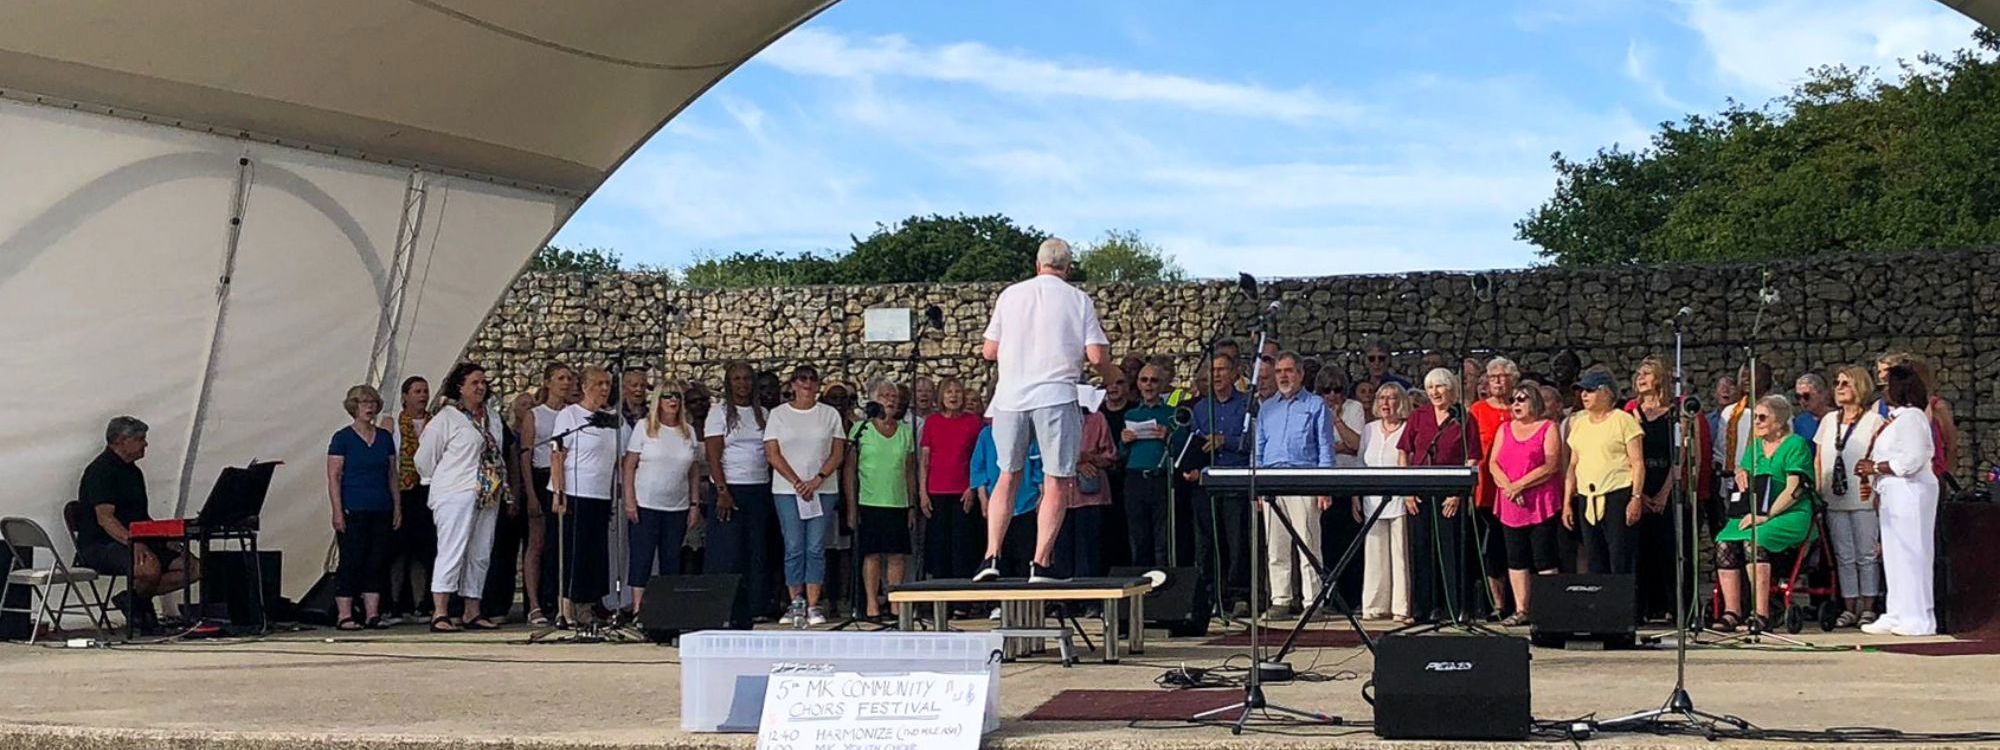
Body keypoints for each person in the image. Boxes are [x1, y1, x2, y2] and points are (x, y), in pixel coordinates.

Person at [975, 238, 1117, 583]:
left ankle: (991, 555)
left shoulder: (1010, 295)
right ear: (1068, 268)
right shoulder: (1078, 299)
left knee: (1007, 474)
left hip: (1010, 397)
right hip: (1055, 394)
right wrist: (1113, 376)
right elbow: (1097, 357)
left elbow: (988, 351)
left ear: (1037, 265)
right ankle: (1040, 563)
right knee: (1057, 478)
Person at [75, 416, 197, 632]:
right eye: (141, 439)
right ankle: (140, 605)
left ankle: (132, 599)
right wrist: (133, 541)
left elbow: (140, 516)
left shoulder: (133, 472)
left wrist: (164, 539)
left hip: (136, 539)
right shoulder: (100, 471)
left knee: (193, 568)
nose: (145, 444)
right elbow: (106, 519)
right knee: (149, 569)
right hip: (102, 544)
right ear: (122, 441)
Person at [414, 362, 507, 632]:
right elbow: (424, 456)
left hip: (487, 491)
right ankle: (440, 611)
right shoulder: (447, 418)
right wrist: (435, 481)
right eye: (474, 383)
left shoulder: (491, 417)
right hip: (456, 490)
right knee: (453, 549)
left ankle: (472, 610)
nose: (481, 387)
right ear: (460, 387)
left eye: (483, 382)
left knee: (480, 552)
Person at [1714, 395, 1816, 633]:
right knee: (1723, 542)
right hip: (1755, 511)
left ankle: (1761, 613)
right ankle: (1732, 611)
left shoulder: (1795, 445)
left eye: (1762, 417)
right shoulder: (1756, 446)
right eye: (1755, 417)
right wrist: (1741, 470)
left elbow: (1795, 490)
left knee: (1754, 539)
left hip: (1788, 511)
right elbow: (1746, 470)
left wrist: (1766, 516)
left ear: (1780, 422)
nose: (1757, 422)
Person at [1856, 364, 1939, 637]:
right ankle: (1897, 611)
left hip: (1910, 491)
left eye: (1886, 386)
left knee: (1912, 552)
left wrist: (1876, 468)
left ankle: (1919, 617)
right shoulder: (1897, 419)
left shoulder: (1913, 417)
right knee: (1893, 555)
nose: (1882, 392)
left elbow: (1912, 460)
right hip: (1893, 493)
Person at [765, 365, 847, 626]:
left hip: (822, 489)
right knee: (793, 547)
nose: (808, 384)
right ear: (793, 384)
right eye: (802, 379)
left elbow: (837, 452)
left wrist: (817, 480)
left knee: (815, 547)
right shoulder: (778, 415)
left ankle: (813, 603)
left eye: (813, 379)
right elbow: (772, 453)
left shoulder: (829, 414)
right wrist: (797, 482)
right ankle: (795, 601)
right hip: (788, 491)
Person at [1255, 352, 1334, 621]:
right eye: (1279, 372)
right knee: (1275, 545)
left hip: (1305, 478)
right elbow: (1260, 449)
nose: (1283, 376)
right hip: (1272, 480)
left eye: (1289, 371)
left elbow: (1325, 448)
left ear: (1300, 374)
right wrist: (1258, 487)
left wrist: (1324, 486)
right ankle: (1281, 599)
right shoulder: (1267, 408)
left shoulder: (1315, 405)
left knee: (1308, 542)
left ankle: (1313, 601)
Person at [1399, 368, 1479, 624]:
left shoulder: (1463, 418)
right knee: (1421, 549)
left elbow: (1472, 457)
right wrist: (1406, 489)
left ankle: (1453, 607)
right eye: (1430, 387)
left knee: (1450, 550)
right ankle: (1422, 609)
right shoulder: (1419, 416)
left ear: (1451, 389)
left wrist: (1458, 493)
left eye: (1440, 387)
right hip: (1420, 491)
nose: (1435, 392)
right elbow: (1404, 451)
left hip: (1450, 493)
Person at [703, 361, 776, 623]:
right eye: (737, 379)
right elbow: (713, 454)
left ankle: (754, 606)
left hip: (758, 487)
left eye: (747, 379)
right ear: (728, 383)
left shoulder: (764, 414)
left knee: (756, 550)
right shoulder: (718, 412)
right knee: (728, 551)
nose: (742, 384)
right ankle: (723, 606)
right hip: (729, 487)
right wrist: (721, 489)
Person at [1814, 366, 1886, 628]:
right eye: (1838, 383)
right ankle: (1848, 605)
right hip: (1834, 496)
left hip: (1863, 494)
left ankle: (1868, 606)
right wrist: (1819, 491)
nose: (1840, 387)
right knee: (1843, 554)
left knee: (1866, 554)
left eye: (1847, 383)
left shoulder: (1874, 421)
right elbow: (1819, 458)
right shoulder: (1829, 421)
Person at [621, 384, 701, 617]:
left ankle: (668, 608)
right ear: (658, 400)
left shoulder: (688, 431)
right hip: (646, 502)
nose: (672, 400)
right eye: (666, 396)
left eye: (676, 396)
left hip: (677, 504)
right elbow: (629, 465)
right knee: (642, 556)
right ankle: (638, 608)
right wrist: (629, 500)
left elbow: (693, 470)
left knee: (671, 558)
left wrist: (694, 504)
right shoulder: (644, 428)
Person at [549, 366, 619, 626]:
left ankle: (589, 606)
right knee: (573, 552)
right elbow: (557, 454)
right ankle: (566, 608)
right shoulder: (570, 416)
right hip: (574, 493)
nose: (604, 389)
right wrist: (559, 492)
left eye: (607, 384)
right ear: (585, 386)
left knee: (595, 553)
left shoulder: (610, 419)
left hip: (599, 494)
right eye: (599, 384)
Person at [327, 385, 401, 630]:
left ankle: (372, 613)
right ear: (353, 407)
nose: (369, 407)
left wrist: (397, 506)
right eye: (363, 403)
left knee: (376, 560)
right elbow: (334, 476)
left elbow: (392, 473)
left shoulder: (384, 438)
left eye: (372, 402)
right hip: (353, 507)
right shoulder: (342, 438)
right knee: (351, 559)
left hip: (380, 506)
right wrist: (337, 511)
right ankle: (344, 614)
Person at [843, 380, 917, 621]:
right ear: (874, 399)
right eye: (885, 395)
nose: (891, 400)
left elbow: (908, 471)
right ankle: (872, 604)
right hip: (869, 501)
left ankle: (895, 604)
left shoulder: (905, 432)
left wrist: (911, 505)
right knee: (872, 555)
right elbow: (850, 471)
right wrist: (852, 509)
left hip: (897, 501)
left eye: (894, 396)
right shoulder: (861, 429)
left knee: (896, 556)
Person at [1490, 385, 1563, 626]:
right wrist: (1509, 488)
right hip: (1511, 503)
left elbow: (1551, 464)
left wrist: (1520, 485)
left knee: (1544, 556)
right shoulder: (1504, 429)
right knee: (1515, 557)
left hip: (1539, 502)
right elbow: (1493, 465)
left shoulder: (1547, 428)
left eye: (1522, 399)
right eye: (1513, 400)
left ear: (1535, 403)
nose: (1516, 404)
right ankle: (1522, 609)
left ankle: (1549, 609)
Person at [1562, 369, 1645, 576]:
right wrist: (1566, 503)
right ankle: (1601, 605)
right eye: (1582, 391)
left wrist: (1635, 498)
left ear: (1606, 392)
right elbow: (1573, 465)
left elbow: (1637, 462)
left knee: (1620, 556)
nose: (1584, 395)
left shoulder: (1622, 420)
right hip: (1586, 497)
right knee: (1594, 556)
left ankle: (1624, 605)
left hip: (1617, 495)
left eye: (1589, 390)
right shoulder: (1578, 424)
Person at [1189, 354, 1252, 617]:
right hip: (1207, 480)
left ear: (1235, 373)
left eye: (1222, 370)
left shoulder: (1247, 405)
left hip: (1235, 479)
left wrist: (1223, 440)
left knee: (1237, 541)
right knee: (1208, 542)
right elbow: (1194, 441)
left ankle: (1239, 595)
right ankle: (1211, 595)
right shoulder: (1201, 408)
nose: (1216, 375)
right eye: (1212, 370)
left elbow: (1251, 442)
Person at [1627, 357, 1682, 621]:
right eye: (1639, 373)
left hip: (1666, 487)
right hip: (1639, 488)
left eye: (1647, 373)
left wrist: (1662, 495)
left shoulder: (1675, 414)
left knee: (1667, 551)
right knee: (1640, 551)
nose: (1641, 377)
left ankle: (1672, 606)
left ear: (1659, 379)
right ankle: (1641, 608)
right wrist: (1641, 495)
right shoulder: (1630, 413)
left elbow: (1679, 458)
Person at [520, 363, 574, 626]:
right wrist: (530, 493)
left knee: (561, 542)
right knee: (538, 542)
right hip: (542, 476)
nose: (565, 383)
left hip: (566, 478)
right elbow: (526, 454)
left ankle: (560, 600)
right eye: (560, 378)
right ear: (548, 382)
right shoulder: (535, 415)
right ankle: (534, 604)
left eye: (568, 379)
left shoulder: (573, 414)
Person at [1468, 357, 1521, 619]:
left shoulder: (1521, 408)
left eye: (1503, 376)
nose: (1498, 381)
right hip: (1486, 488)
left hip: (1517, 488)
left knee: (1515, 546)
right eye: (1493, 377)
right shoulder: (1477, 410)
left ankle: (1520, 603)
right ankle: (1497, 603)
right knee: (1491, 548)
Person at [1356, 383, 1412, 623]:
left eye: (1392, 398)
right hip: (1372, 499)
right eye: (1382, 399)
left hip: (1399, 499)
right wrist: (1355, 497)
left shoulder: (1407, 428)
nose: (1386, 403)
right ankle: (1375, 605)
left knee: (1399, 554)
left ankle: (1401, 607)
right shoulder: (1369, 429)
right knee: (1374, 553)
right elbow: (1360, 464)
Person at [919, 378, 983, 583]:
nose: (953, 396)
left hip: (962, 492)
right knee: (939, 547)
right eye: (949, 392)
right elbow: (925, 460)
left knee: (962, 547)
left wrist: (971, 487)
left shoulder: (972, 422)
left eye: (957, 391)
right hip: (936, 492)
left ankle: (961, 602)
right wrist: (922, 492)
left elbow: (977, 457)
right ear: (941, 396)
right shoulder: (932, 422)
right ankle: (940, 597)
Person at [384, 376, 434, 624]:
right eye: (417, 391)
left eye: (425, 391)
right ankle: (394, 604)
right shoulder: (393, 423)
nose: (422, 396)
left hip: (427, 490)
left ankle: (421, 603)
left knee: (423, 551)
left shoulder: (434, 422)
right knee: (398, 551)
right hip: (403, 491)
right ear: (405, 396)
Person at [1121, 363, 1175, 568]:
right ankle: (1139, 584)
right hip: (1135, 478)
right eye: (1144, 380)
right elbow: (1122, 455)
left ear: (1162, 385)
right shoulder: (1131, 415)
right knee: (1138, 536)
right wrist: (1124, 442)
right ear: (1138, 384)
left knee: (1162, 538)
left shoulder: (1171, 413)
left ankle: (1162, 583)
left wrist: (1168, 436)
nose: (1149, 385)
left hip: (1160, 477)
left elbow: (1181, 448)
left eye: (1154, 380)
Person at [1793, 373, 1831, 441]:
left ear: (1822, 394)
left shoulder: (1837, 417)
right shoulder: (1800, 422)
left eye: (1806, 396)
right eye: (1798, 397)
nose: (1802, 401)